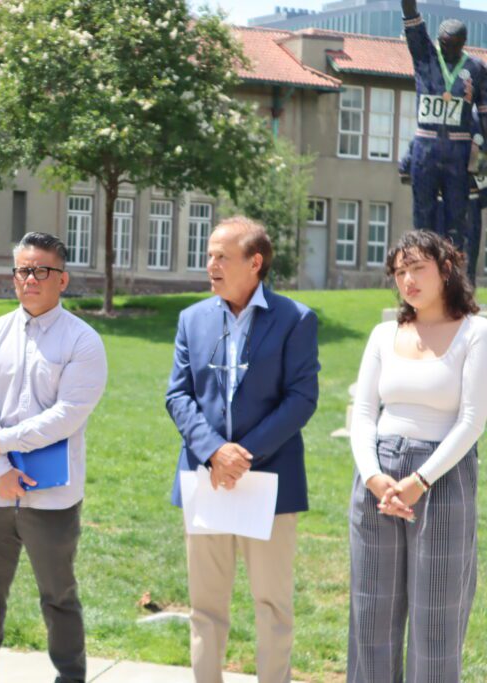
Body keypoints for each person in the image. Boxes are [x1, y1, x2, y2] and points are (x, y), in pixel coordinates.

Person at [165, 217, 319, 683]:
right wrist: (214, 453)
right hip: (206, 479)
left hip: (269, 483)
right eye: (209, 255)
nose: (209, 264)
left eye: (220, 256)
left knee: (272, 605)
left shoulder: (296, 319)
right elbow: (178, 396)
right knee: (206, 606)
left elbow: (301, 398)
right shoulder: (192, 318)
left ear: (255, 263)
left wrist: (241, 455)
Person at [0, 231, 107, 683]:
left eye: (42, 270)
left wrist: (3, 443)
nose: (31, 279)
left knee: (59, 595)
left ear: (62, 279)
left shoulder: (83, 342)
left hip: (53, 498)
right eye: (23, 269)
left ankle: (70, 675)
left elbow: (68, 415)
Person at [347, 230, 485, 682]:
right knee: (371, 618)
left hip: (441, 479)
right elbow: (364, 412)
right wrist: (372, 476)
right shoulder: (384, 334)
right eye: (399, 271)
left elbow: (471, 421)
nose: (407, 279)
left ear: (446, 270)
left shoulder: (476, 333)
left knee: (436, 621)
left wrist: (419, 481)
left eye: (417, 268)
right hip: (378, 481)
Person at [401, 0, 487, 269]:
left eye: (451, 45)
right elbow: (411, 16)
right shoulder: (425, 55)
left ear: (463, 43)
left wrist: (480, 165)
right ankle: (421, 270)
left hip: (459, 155)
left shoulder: (476, 68)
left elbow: (484, 121)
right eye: (442, 43)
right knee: (422, 218)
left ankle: (454, 282)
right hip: (425, 150)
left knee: (456, 221)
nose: (445, 48)